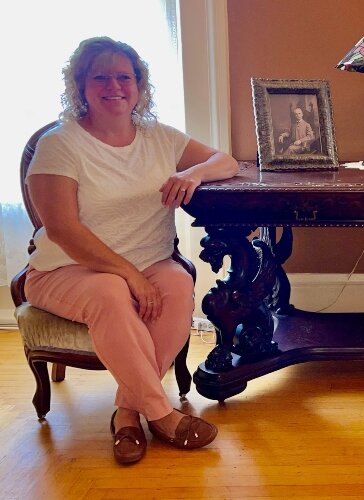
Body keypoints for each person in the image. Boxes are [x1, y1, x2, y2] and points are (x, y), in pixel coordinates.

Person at [23, 37, 239, 465]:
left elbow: (227, 161)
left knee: (178, 285)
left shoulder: (159, 137)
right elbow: (64, 231)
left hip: (152, 261)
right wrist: (130, 276)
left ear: (139, 86)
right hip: (64, 269)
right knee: (110, 292)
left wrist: (194, 173)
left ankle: (126, 413)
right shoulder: (59, 145)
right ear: (80, 86)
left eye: (124, 76)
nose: (114, 86)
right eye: (100, 76)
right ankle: (162, 415)